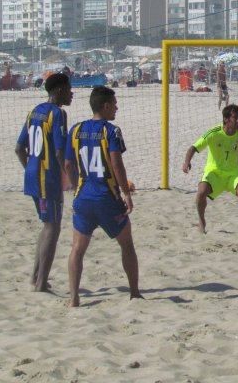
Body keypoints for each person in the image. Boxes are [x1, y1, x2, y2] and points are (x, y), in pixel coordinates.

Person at [64, 86, 141, 307]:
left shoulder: (76, 129)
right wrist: (126, 193)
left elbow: (68, 164)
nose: (117, 108)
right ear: (105, 106)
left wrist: (75, 187)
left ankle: (73, 298)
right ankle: (134, 292)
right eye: (114, 104)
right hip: (107, 198)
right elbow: (117, 163)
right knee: (127, 244)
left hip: (83, 198)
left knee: (77, 249)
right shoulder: (111, 131)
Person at [15, 73, 73, 292]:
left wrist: (30, 169)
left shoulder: (34, 111)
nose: (71, 94)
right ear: (59, 91)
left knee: (47, 225)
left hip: (32, 175)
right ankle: (40, 284)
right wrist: (70, 178)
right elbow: (59, 152)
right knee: (53, 227)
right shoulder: (58, 113)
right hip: (47, 177)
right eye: (69, 90)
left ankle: (35, 277)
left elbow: (19, 148)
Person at [183, 104, 238, 235]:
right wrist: (187, 161)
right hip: (214, 172)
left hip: (232, 174)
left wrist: (235, 171)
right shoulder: (213, 133)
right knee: (201, 192)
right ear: (226, 119)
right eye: (235, 117)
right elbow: (193, 148)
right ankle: (201, 221)